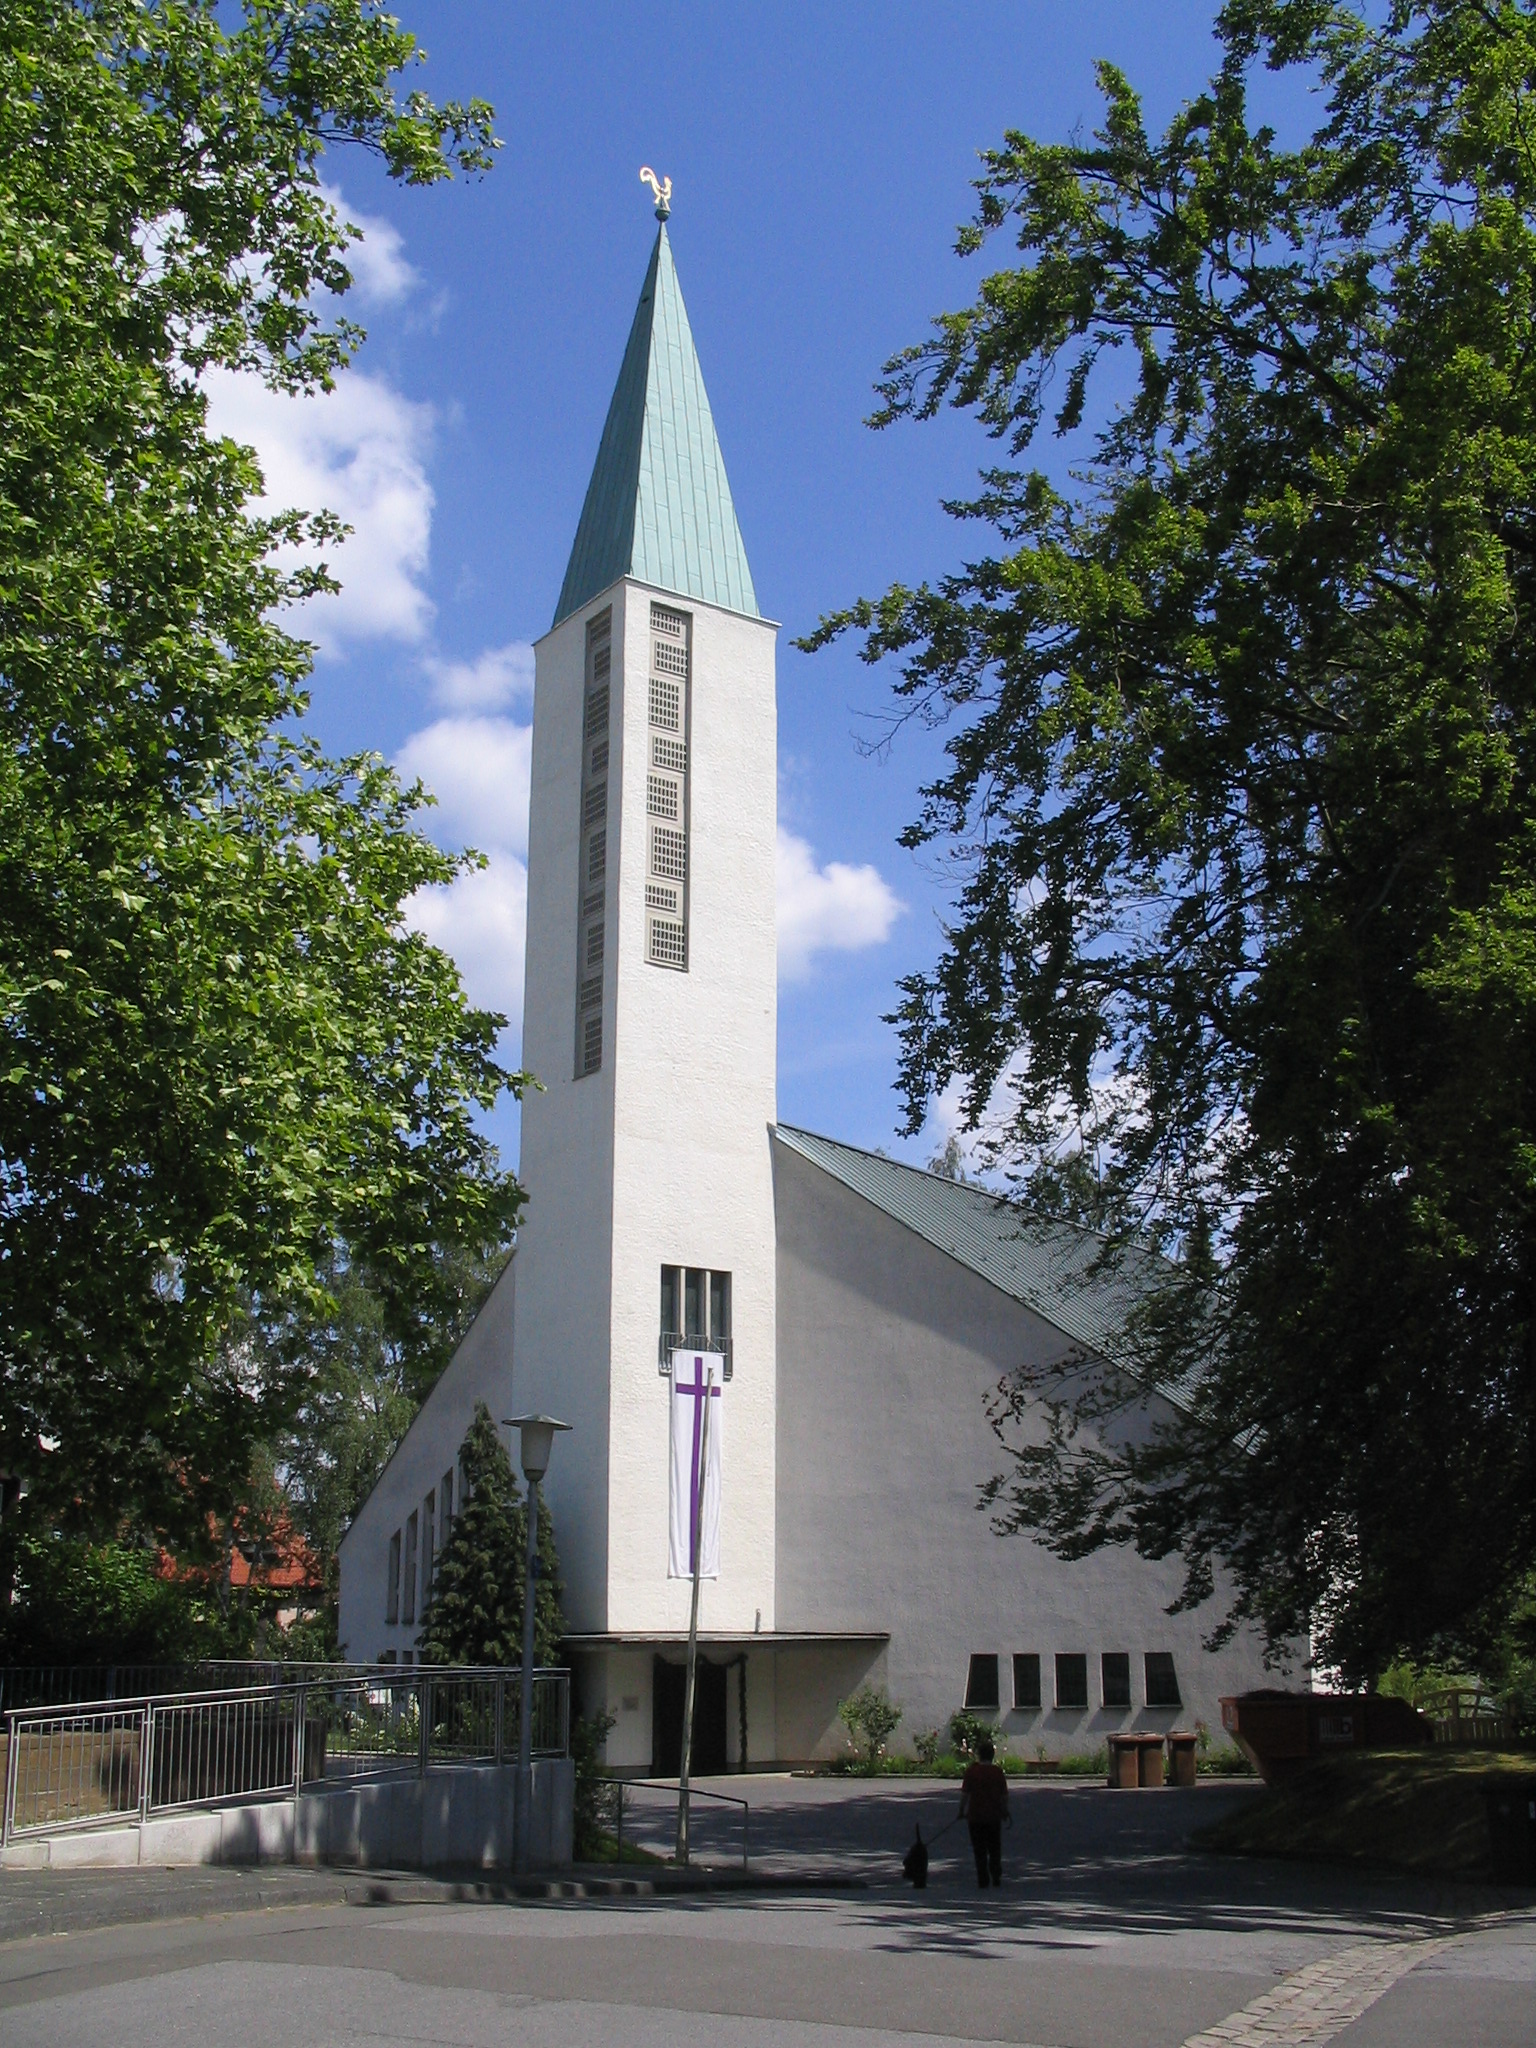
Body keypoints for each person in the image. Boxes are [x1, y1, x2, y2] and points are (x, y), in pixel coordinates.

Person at [957, 1735, 1010, 1888]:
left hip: (975, 1817)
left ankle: (982, 1877)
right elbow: (1004, 1796)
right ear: (992, 1756)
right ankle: (996, 1874)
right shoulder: (997, 1772)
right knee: (994, 1847)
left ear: (979, 1755)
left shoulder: (972, 1772)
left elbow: (965, 1795)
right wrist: (1005, 1811)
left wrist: (961, 1811)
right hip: (994, 1816)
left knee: (979, 1848)